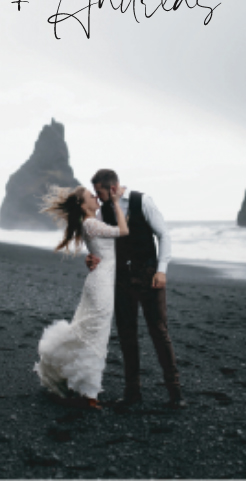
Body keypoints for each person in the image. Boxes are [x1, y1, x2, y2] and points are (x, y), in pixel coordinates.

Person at [87, 169, 186, 408]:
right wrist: (91, 258)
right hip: (120, 279)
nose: (97, 197)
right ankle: (132, 393)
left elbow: (163, 235)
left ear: (111, 188)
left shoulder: (143, 201)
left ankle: (175, 394)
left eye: (99, 192)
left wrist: (162, 270)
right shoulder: (104, 211)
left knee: (159, 332)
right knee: (126, 334)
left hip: (149, 276)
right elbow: (100, 244)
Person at [33, 185, 129, 409]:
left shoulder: (92, 222)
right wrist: (115, 201)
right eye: (90, 196)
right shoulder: (90, 222)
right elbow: (123, 232)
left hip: (101, 281)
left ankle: (83, 387)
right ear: (82, 205)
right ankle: (89, 394)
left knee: (91, 333)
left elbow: (104, 248)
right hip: (101, 285)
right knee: (95, 336)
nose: (95, 197)